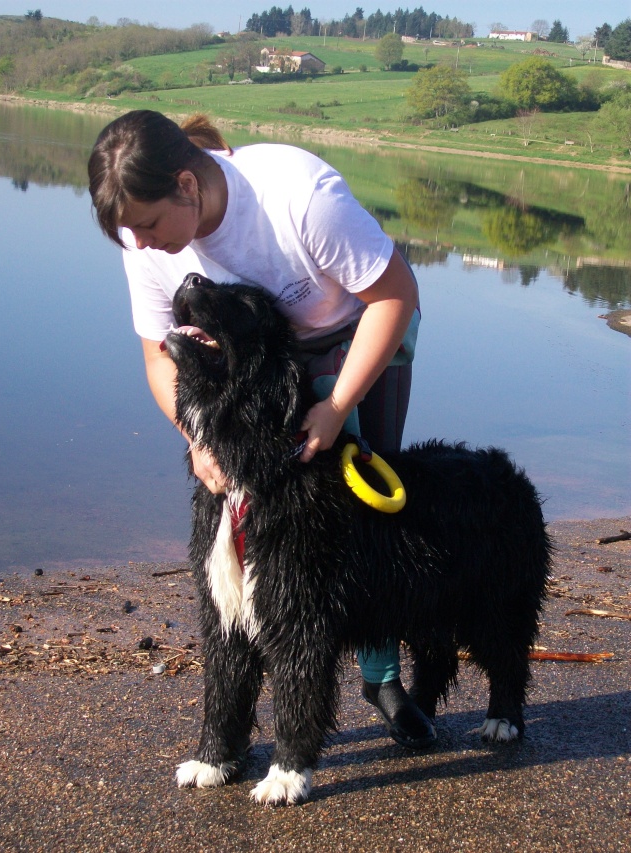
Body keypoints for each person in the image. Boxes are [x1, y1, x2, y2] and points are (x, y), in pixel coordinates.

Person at [88, 109, 435, 749]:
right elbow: (156, 356)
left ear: (188, 186)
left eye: (146, 225)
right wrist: (199, 441)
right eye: (125, 234)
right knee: (242, 515)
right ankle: (251, 666)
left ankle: (379, 675)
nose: (139, 244)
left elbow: (396, 294)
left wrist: (335, 409)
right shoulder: (150, 245)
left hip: (354, 336)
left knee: (366, 511)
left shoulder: (296, 195)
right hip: (254, 365)